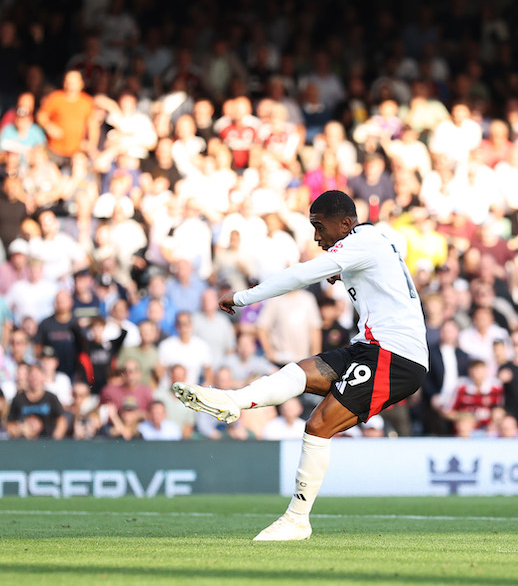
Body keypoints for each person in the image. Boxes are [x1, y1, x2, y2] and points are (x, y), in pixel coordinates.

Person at [173, 191, 428, 541]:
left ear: (345, 223)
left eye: (319, 227)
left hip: (395, 356)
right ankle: (234, 401)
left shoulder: (360, 245)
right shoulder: (375, 238)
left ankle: (297, 520)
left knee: (319, 424)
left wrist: (243, 297)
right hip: (371, 347)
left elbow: (300, 275)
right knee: (299, 372)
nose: (316, 237)